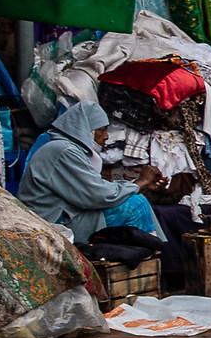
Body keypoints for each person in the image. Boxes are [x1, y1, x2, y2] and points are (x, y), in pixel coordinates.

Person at [18, 102, 163, 246]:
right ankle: (147, 256)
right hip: (54, 224)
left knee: (136, 199)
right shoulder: (63, 151)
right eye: (103, 130)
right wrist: (140, 183)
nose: (106, 136)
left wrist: (137, 185)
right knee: (135, 206)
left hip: (67, 216)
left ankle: (147, 253)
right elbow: (97, 195)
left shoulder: (68, 149)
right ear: (87, 130)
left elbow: (95, 188)